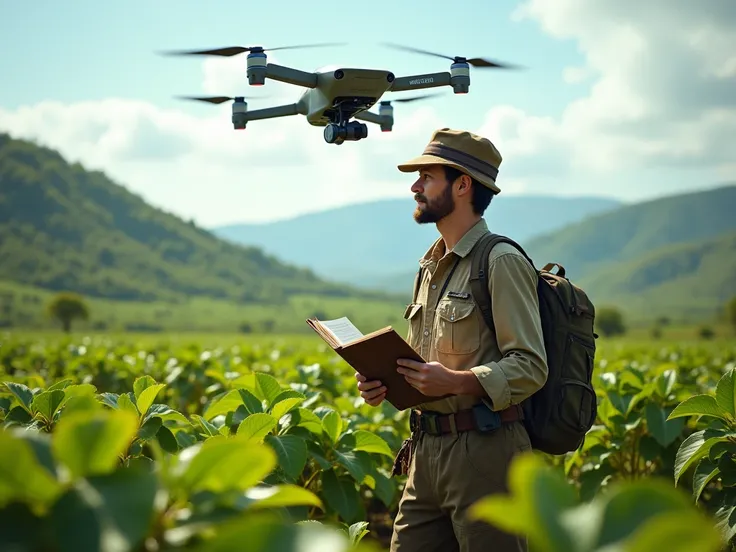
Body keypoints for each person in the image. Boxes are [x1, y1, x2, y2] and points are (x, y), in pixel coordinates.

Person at [355, 128, 549, 552]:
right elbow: (426, 365)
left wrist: (458, 382)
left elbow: (531, 366)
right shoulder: (429, 266)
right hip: (426, 452)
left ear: (462, 185)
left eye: (427, 176)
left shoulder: (501, 261)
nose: (415, 186)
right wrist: (383, 382)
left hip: (486, 451)